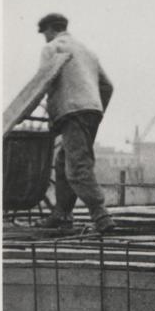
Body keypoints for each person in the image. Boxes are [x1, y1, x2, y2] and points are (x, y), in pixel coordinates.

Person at [31, 13, 116, 234]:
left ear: (50, 30)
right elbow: (107, 87)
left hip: (72, 112)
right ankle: (62, 213)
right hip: (91, 111)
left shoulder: (52, 48)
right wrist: (94, 110)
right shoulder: (86, 50)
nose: (45, 38)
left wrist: (33, 113)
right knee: (63, 162)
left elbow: (43, 83)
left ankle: (101, 215)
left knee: (77, 166)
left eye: (45, 34)